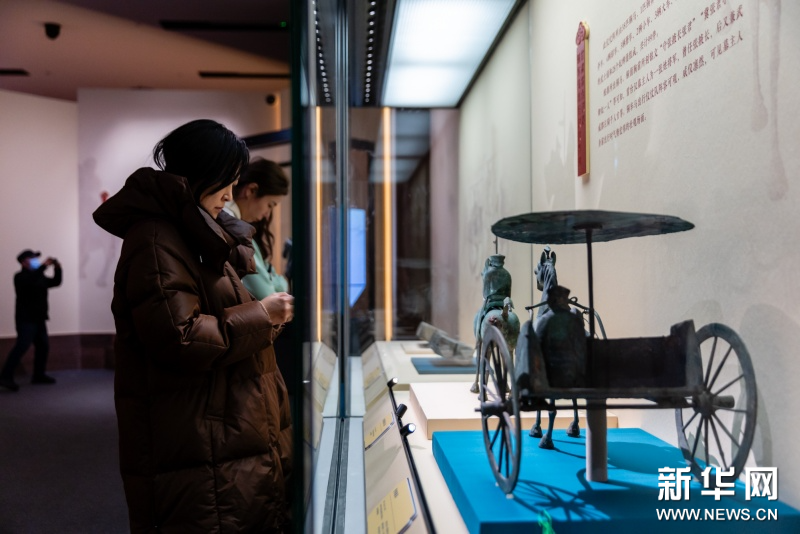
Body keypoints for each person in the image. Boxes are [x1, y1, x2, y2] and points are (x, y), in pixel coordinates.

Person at [92, 119, 295, 532]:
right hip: (198, 440)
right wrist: (262, 316)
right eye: (226, 183)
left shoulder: (193, 231)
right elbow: (179, 336)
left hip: (216, 434)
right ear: (203, 173)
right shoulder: (156, 238)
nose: (230, 195)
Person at [224, 157, 290, 299]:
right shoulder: (234, 229)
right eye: (269, 205)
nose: (267, 214)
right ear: (251, 190)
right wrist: (276, 280)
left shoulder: (236, 226)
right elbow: (266, 293)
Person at [0, 250, 62, 391]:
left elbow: (55, 282)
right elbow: (31, 280)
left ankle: (38, 375)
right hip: (26, 319)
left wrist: (58, 268)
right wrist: (44, 266)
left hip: (39, 319)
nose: (35, 260)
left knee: (43, 347)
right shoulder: (20, 277)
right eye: (32, 258)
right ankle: (5, 376)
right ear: (23, 262)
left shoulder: (39, 276)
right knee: (21, 346)